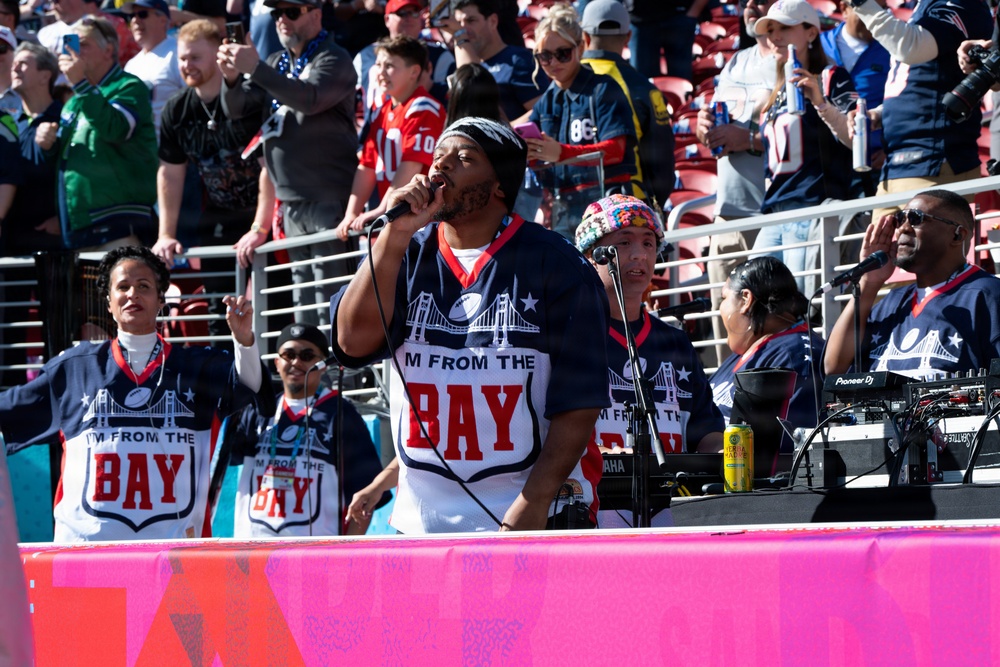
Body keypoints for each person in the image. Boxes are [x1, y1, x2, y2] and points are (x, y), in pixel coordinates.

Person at [330, 116, 611, 533]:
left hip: (527, 516)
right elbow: (352, 343)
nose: (441, 166)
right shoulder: (403, 250)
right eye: (438, 156)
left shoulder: (557, 263)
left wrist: (534, 500)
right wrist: (393, 236)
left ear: (499, 186)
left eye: (464, 158)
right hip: (419, 526)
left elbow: (579, 402)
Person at [0, 245, 273, 542]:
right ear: (109, 302)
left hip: (174, 563)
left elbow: (251, 385)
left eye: (144, 286)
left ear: (160, 301)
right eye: (123, 287)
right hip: (83, 562)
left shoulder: (198, 366)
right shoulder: (73, 369)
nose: (133, 294)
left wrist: (244, 341)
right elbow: (9, 411)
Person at [574, 194, 724, 528]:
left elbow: (707, 433)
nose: (640, 254)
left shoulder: (675, 342)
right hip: (590, 517)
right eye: (624, 242)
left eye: (649, 243)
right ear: (591, 255)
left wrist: (731, 455)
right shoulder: (567, 337)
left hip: (673, 518)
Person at [219, 0, 359, 326]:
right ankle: (313, 377)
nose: (282, 19)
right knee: (305, 303)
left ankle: (342, 377)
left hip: (328, 198)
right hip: (290, 200)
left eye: (291, 12)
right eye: (276, 13)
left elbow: (310, 99)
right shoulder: (276, 62)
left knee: (333, 299)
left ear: (316, 13)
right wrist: (229, 79)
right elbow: (237, 109)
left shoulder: (334, 57)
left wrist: (255, 68)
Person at [152, 20, 264, 337]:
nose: (187, 65)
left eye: (196, 57)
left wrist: (260, 226)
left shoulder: (249, 97)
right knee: (218, 306)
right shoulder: (177, 109)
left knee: (269, 301)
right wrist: (166, 234)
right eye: (183, 58)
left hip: (264, 217)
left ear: (219, 55)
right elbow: (171, 172)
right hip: (218, 217)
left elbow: (270, 166)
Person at [229, 323, 388, 537]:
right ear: (277, 362)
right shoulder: (259, 411)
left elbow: (364, 503)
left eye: (307, 355)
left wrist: (344, 559)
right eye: (288, 354)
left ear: (322, 365)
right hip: (253, 558)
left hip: (313, 561)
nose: (296, 362)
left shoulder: (341, 414)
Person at [824, 189, 1000, 379]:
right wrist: (869, 282)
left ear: (957, 235)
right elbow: (834, 367)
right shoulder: (891, 302)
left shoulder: (988, 294)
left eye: (916, 218)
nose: (903, 229)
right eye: (900, 219)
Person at [749, 0, 855, 297]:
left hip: (812, 208)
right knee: (753, 301)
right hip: (773, 212)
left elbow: (855, 137)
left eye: (784, 27)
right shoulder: (773, 95)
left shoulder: (832, 77)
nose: (775, 36)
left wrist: (819, 101)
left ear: (811, 33)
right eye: (770, 30)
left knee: (803, 306)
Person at [849, 0, 990, 218]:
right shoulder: (924, 7)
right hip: (896, 165)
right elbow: (924, 78)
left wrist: (861, 3)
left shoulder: (960, 3)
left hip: (932, 160)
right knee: (876, 250)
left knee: (921, 249)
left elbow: (912, 47)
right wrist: (882, 113)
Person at [697, 0, 779, 365]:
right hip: (729, 212)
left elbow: (806, 135)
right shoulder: (736, 61)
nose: (750, 6)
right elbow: (719, 127)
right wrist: (704, 130)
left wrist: (747, 139)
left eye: (760, 1)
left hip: (774, 212)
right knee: (724, 317)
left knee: (771, 317)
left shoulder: (793, 62)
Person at [36, 16, 157, 250]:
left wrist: (80, 84)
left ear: (108, 50)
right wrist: (48, 145)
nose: (75, 52)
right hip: (80, 225)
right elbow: (67, 161)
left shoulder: (128, 86)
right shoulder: (73, 102)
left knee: (123, 286)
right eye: (71, 45)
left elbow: (116, 129)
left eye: (83, 44)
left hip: (119, 220)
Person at [524, 4, 641, 240]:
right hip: (560, 209)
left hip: (606, 206)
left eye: (562, 53)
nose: (553, 62)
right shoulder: (547, 99)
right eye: (544, 56)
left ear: (581, 47)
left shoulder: (603, 88)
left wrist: (561, 153)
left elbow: (616, 151)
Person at [335, 35, 445, 240]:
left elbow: (411, 164)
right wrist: (351, 212)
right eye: (378, 65)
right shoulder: (380, 109)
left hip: (421, 219)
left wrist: (384, 208)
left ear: (414, 71)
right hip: (394, 216)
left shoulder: (424, 107)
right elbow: (367, 164)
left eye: (390, 66)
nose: (381, 72)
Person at [711, 256, 824, 439]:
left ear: (746, 299)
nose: (719, 308)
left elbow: (784, 445)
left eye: (724, 298)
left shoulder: (795, 356)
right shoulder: (747, 350)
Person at [579, 0, 675, 213]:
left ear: (584, 37)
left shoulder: (562, 85)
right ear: (628, 36)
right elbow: (662, 165)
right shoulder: (645, 89)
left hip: (573, 209)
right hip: (628, 212)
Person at [440, 0, 549, 122]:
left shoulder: (518, 60)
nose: (464, 30)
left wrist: (505, 132)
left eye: (471, 21)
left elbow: (543, 111)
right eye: (459, 24)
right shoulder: (465, 62)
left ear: (493, 21)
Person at [6, 42, 63, 255]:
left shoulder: (67, 118)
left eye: (23, 63)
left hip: (51, 240)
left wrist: (65, 219)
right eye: (14, 63)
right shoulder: (7, 122)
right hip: (11, 239)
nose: (14, 68)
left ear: (44, 76)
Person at [354, 0, 454, 119]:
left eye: (415, 12)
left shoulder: (441, 55)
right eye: (402, 13)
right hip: (378, 129)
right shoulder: (365, 56)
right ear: (387, 20)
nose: (409, 18)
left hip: (423, 127)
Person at [122, 0, 186, 133]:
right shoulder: (131, 64)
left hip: (173, 146)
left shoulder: (179, 53)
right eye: (132, 16)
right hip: (142, 148)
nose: (135, 20)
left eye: (142, 14)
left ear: (163, 20)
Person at [37, 0, 140, 68]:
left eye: (57, 0)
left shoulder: (112, 24)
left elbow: (106, 61)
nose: (53, 5)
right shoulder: (45, 33)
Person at [628, 0, 708, 81]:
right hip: (640, 21)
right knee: (642, 84)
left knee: (681, 85)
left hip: (679, 17)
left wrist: (693, 12)